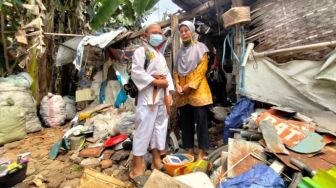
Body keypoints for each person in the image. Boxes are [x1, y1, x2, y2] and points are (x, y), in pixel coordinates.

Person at [129, 23, 174, 186]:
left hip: (161, 97)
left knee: (159, 129)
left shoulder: (160, 55)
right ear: (146, 36)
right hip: (148, 97)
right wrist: (155, 81)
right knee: (143, 130)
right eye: (153, 32)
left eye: (159, 33)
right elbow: (137, 72)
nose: (157, 35)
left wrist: (168, 94)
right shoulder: (141, 52)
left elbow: (167, 76)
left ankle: (156, 161)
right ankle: (137, 168)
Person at [173, 20, 213, 160]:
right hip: (182, 93)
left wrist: (190, 85)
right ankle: (189, 149)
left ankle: (202, 150)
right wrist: (177, 85)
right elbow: (176, 71)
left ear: (192, 31)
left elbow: (202, 69)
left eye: (186, 30)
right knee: (185, 122)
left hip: (197, 90)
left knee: (201, 121)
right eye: (181, 31)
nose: (184, 33)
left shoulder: (200, 48)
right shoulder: (178, 53)